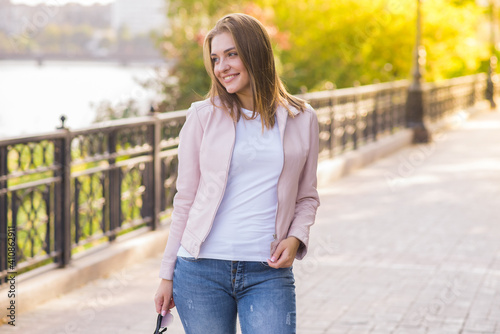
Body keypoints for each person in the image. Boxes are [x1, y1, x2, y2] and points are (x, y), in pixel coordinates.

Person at [154, 13, 320, 334]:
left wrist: (297, 237)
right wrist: (166, 274)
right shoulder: (202, 116)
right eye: (216, 59)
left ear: (255, 52)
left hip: (267, 270)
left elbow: (307, 195)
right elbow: (185, 199)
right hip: (200, 270)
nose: (221, 67)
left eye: (231, 54)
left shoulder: (302, 117)